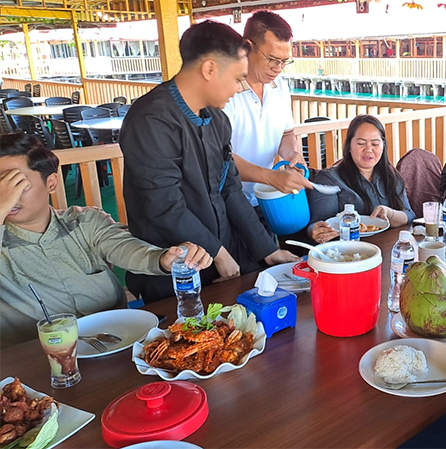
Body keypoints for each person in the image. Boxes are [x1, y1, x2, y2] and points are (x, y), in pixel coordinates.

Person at [119, 20, 298, 303]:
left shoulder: (217, 120)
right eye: (238, 78)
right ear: (209, 69)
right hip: (176, 266)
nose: (240, 88)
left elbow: (229, 190)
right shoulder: (150, 120)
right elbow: (163, 206)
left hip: (222, 252)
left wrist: (267, 248)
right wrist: (217, 251)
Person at [0, 133, 213, 347]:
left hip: (117, 345)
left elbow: (125, 247)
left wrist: (165, 258)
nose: (8, 196)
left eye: (16, 184)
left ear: (52, 183)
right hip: (38, 361)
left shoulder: (84, 221)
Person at [223, 10, 312, 214]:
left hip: (265, 196)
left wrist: (292, 154)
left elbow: (286, 133)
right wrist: (271, 177)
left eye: (284, 61)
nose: (278, 68)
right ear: (248, 47)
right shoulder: (226, 91)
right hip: (227, 199)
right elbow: (220, 156)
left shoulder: (280, 86)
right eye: (272, 59)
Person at [307, 115, 414, 243]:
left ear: (383, 146)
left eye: (375, 144)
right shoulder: (329, 179)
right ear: (349, 146)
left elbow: (409, 215)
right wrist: (316, 231)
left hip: (387, 250)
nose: (368, 149)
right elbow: (318, 224)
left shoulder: (390, 175)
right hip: (348, 253)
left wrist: (389, 213)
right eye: (361, 143)